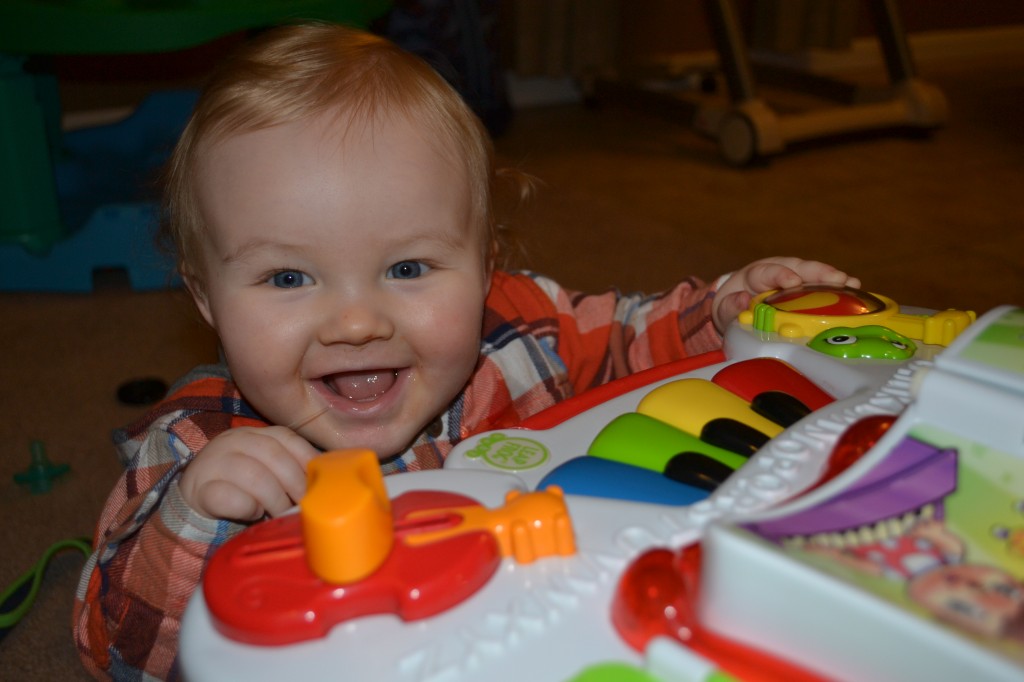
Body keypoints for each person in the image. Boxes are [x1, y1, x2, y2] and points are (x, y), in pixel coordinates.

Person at [73, 22, 859, 680]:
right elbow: (117, 650)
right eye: (287, 277)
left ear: (487, 266)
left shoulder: (518, 333)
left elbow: (631, 334)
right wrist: (196, 518)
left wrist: (726, 307)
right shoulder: (196, 446)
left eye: (407, 269)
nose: (354, 323)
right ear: (206, 297)